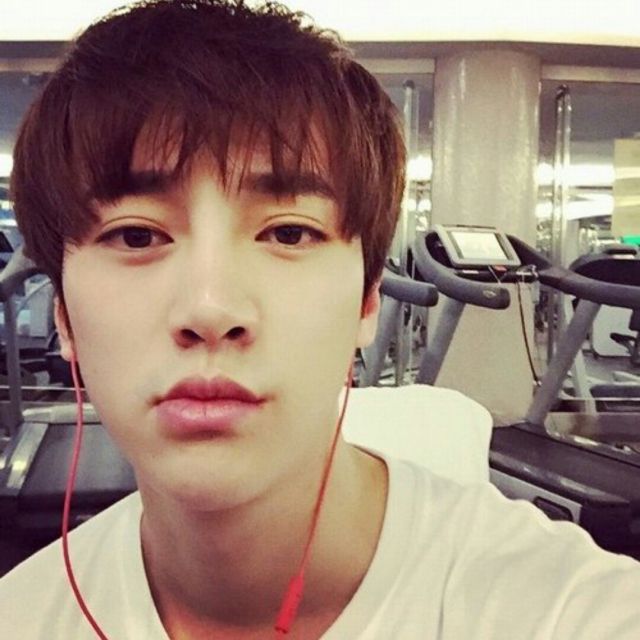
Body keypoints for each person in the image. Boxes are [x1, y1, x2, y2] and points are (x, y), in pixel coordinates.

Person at [1, 1, 640, 638]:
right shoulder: (23, 614)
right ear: (64, 316)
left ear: (367, 302)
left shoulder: (566, 610)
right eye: (136, 235)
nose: (210, 310)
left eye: (289, 232)